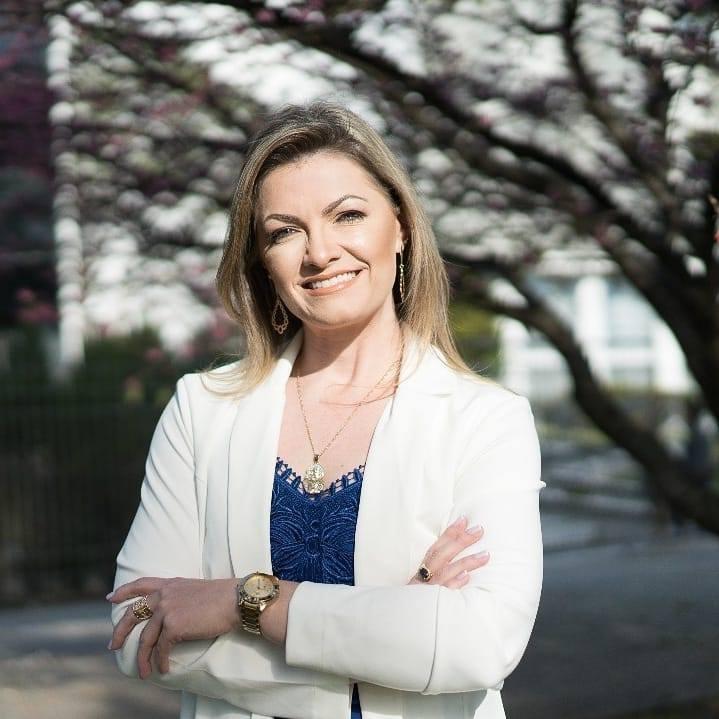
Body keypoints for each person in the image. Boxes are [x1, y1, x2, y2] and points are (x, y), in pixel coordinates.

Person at [107, 100, 546, 719]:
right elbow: (140, 634)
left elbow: (479, 646)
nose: (319, 252)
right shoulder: (201, 412)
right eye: (284, 232)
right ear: (262, 261)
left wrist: (243, 602)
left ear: (401, 228)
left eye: (348, 215)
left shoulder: (485, 419)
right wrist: (395, 630)